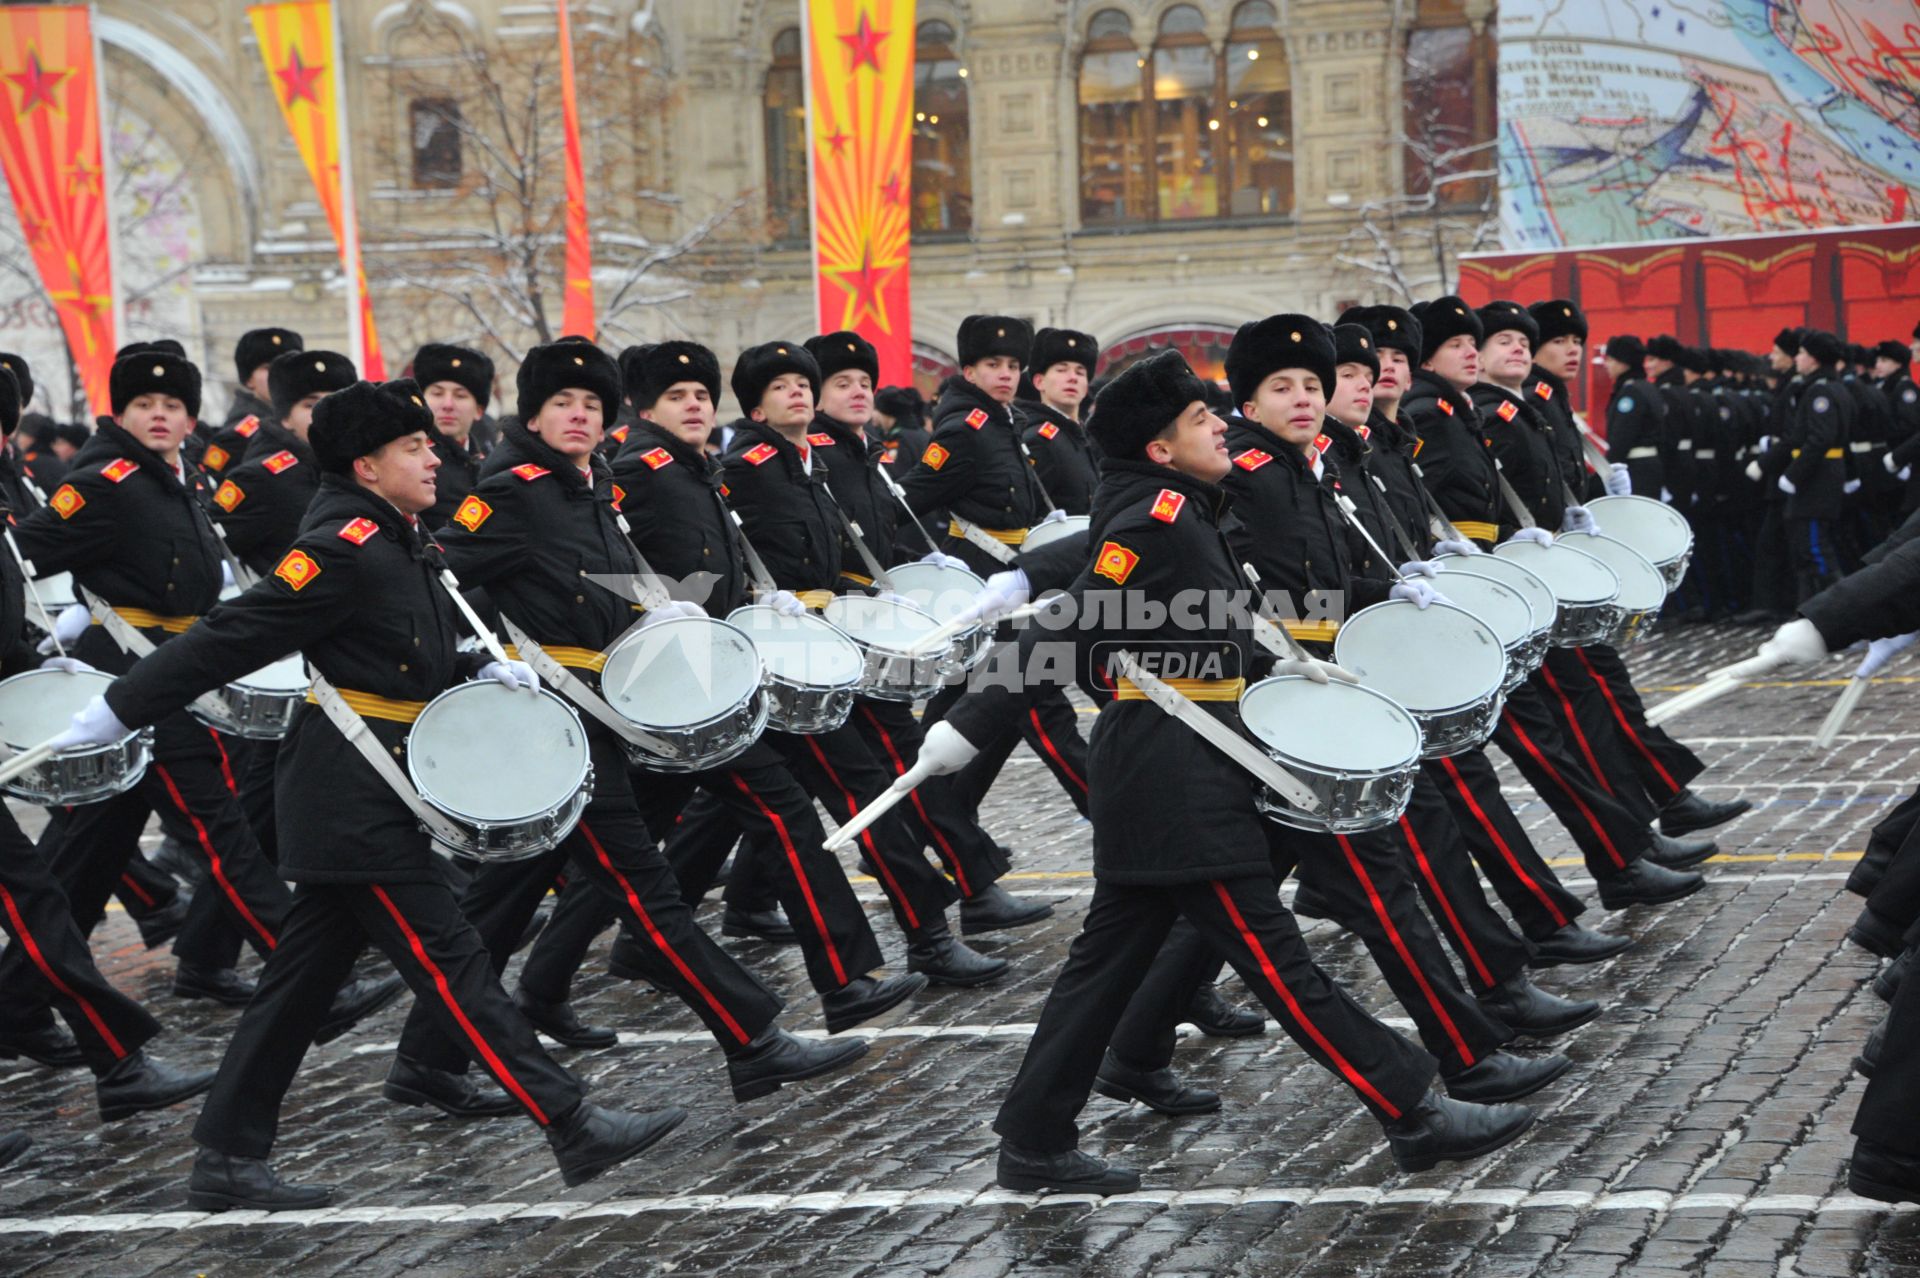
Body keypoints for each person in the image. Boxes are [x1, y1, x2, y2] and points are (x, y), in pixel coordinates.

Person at [898, 349, 1534, 1194]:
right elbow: (1074, 622)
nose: (1219, 427)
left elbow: (1104, 559)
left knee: (1104, 969)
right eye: (1202, 419)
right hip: (1174, 770)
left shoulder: (1179, 506)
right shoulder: (1157, 516)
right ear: (1161, 449)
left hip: (1179, 760)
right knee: (1277, 961)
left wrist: (1293, 663)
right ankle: (1413, 1108)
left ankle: (1034, 1139)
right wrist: (965, 728)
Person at [47, 377, 690, 1209]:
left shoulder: (395, 536)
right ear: (366, 463)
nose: (432, 459)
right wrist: (115, 707)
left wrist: (475, 664)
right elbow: (233, 635)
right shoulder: (340, 547)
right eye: (413, 448)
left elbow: (399, 648)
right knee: (450, 960)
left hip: (365, 796)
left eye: (428, 444)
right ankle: (570, 1121)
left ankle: (226, 1158)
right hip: (350, 801)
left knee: (294, 990)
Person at [0, 348, 396, 1031]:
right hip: (129, 670)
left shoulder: (171, 477)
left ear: (190, 418)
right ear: (120, 412)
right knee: (220, 829)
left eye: (174, 406)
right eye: (145, 406)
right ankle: (308, 987)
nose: (160, 416)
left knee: (90, 858)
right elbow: (21, 551)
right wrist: (60, 620)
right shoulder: (105, 480)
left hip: (174, 667)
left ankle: (16, 1003)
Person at [1015, 327, 1100, 514]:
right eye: (1061, 370)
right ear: (1039, 382)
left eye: (1080, 373)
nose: (1072, 378)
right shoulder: (1039, 440)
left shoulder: (1082, 435)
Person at [412, 342, 495, 530]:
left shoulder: (492, 464)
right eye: (437, 393)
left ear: (479, 410)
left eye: (460, 395)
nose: (448, 404)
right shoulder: (409, 461)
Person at [201, 327, 301, 476]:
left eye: (289, 367)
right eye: (268, 368)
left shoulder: (301, 420)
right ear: (249, 379)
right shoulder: (239, 435)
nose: (280, 375)